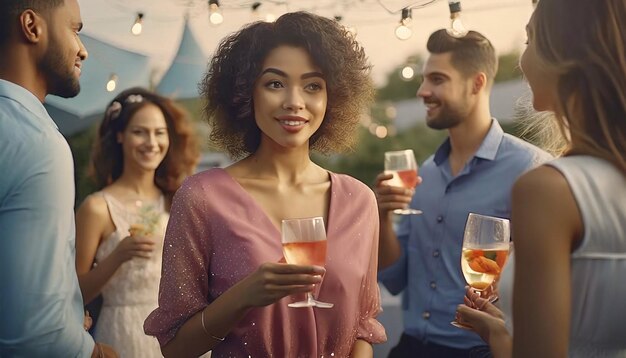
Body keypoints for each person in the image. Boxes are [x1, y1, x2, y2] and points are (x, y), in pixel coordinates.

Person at [144, 11, 386, 357]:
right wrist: (244, 296)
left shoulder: (359, 200)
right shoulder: (202, 199)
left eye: (313, 85)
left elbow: (362, 328)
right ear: (245, 93)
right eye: (275, 83)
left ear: (332, 96)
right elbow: (176, 349)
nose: (294, 101)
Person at [456, 0, 626, 356]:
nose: (521, 60)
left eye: (530, 40)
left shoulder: (547, 191)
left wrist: (501, 339)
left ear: (566, 56)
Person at [374, 29, 552, 357]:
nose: (423, 91)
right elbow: (395, 276)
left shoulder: (532, 170)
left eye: (438, 80)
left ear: (477, 83)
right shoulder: (424, 173)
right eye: (425, 79)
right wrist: (382, 215)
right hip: (411, 347)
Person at [0, 0, 116, 356]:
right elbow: (37, 333)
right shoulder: (38, 143)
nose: (82, 50)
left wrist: (67, 309)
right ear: (32, 27)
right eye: (75, 30)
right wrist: (92, 353)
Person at [75, 87, 199, 357]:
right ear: (120, 135)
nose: (151, 142)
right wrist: (118, 256)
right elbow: (75, 294)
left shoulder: (177, 199)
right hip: (122, 334)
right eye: (139, 132)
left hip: (176, 332)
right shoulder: (97, 208)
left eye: (159, 132)